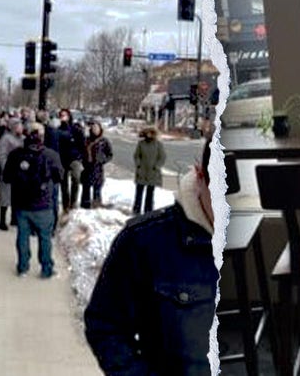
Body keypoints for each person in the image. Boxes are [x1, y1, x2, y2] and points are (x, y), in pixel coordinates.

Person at [85, 134, 217, 375]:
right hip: (143, 176)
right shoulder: (144, 241)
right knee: (141, 196)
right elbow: (105, 324)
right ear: (200, 177)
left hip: (150, 173)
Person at [2, 122, 63, 278]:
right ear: (42, 136)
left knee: (22, 236)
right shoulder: (51, 155)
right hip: (44, 202)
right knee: (45, 238)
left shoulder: (16, 154)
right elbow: (59, 177)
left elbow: (6, 177)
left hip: (22, 203)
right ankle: (46, 268)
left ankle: (23, 267)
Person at [0, 118, 25, 231]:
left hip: (19, 172)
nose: (21, 128)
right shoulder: (6, 139)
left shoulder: (23, 139)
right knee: (5, 196)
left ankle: (14, 218)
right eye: (19, 126)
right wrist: (5, 169)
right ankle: (2, 220)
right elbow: (2, 155)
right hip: (8, 171)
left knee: (16, 196)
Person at [56, 108, 85, 213]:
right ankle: (65, 204)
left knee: (76, 178)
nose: (63, 117)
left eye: (65, 115)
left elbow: (82, 144)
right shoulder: (58, 130)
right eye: (61, 115)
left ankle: (73, 202)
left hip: (74, 158)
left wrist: (80, 156)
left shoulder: (75, 129)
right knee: (63, 183)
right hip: (62, 159)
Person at [132, 126, 166, 214]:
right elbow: (136, 155)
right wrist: (138, 164)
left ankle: (148, 211)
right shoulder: (141, 144)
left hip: (153, 172)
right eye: (147, 133)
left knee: (150, 194)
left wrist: (157, 166)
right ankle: (136, 210)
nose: (149, 134)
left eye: (151, 133)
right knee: (139, 192)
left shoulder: (158, 144)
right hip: (142, 171)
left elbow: (162, 157)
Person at [81, 120, 113, 209]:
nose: (95, 130)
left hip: (98, 168)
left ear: (100, 129)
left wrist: (102, 160)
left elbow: (110, 154)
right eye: (93, 128)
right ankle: (85, 206)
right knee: (86, 187)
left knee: (97, 188)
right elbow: (81, 151)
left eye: (97, 128)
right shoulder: (86, 140)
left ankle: (96, 205)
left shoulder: (104, 141)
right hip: (87, 168)